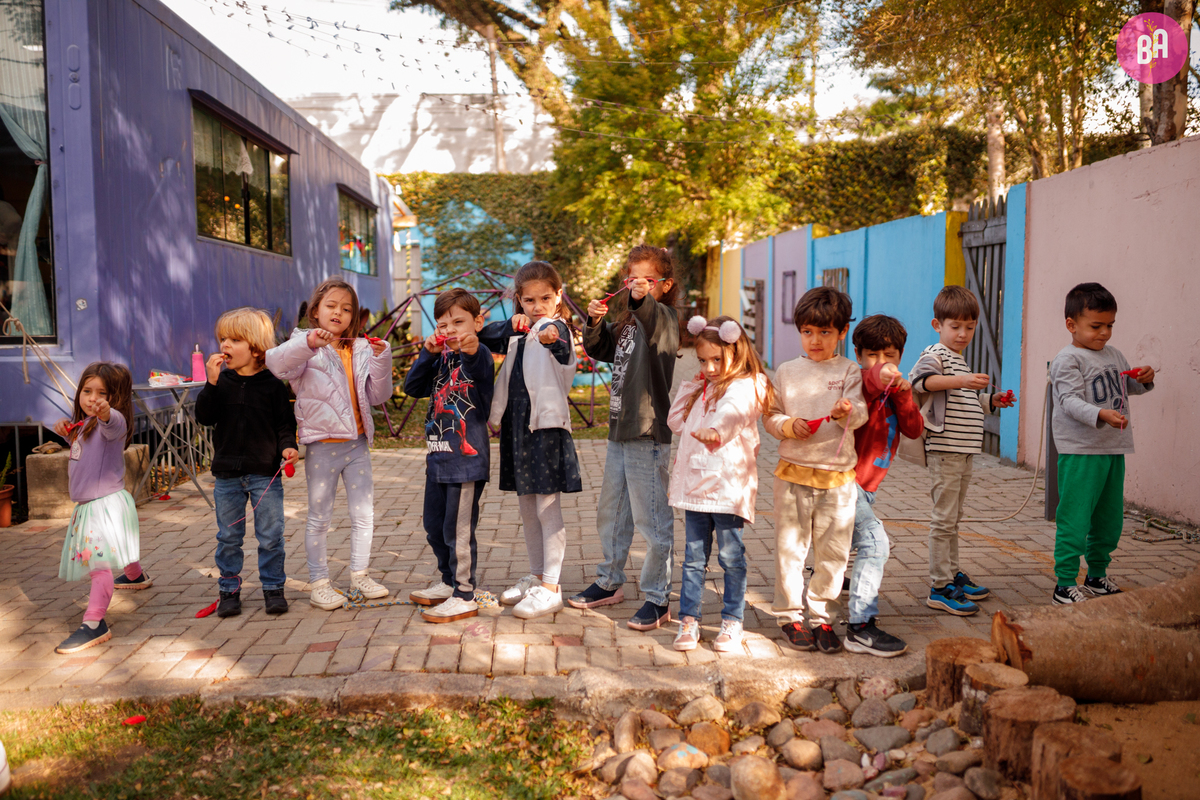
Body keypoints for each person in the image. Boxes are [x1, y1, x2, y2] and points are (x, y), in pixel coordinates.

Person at [568, 244, 680, 631]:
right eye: (632, 279)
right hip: (620, 427)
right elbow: (599, 348)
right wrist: (594, 321)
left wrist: (640, 298)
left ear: (664, 286)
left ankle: (657, 597)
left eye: (648, 280)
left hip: (647, 429)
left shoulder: (663, 318)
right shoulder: (629, 322)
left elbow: (651, 317)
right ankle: (609, 580)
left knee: (652, 519)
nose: (638, 286)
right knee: (612, 511)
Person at [265, 278, 394, 610]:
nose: (339, 312)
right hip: (322, 446)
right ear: (315, 311)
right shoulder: (302, 344)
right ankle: (320, 582)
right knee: (319, 517)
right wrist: (309, 342)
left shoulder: (361, 348)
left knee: (364, 514)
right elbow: (276, 365)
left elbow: (379, 395)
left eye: (347, 308)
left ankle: (360, 574)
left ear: (354, 317)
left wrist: (382, 358)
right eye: (331, 306)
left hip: (358, 445)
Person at [763, 286, 868, 654]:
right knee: (790, 551)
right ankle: (790, 616)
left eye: (825, 332)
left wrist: (846, 412)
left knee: (834, 554)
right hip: (792, 475)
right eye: (808, 332)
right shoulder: (787, 371)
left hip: (838, 480)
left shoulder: (850, 370)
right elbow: (770, 416)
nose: (815, 340)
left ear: (841, 333)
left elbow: (860, 415)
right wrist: (788, 426)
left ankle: (823, 618)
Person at [481, 262, 581, 621]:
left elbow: (558, 341)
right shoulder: (516, 331)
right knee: (527, 507)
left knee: (546, 508)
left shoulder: (559, 329)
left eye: (545, 298)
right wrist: (512, 324)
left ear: (558, 297)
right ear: (518, 300)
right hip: (517, 429)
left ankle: (551, 588)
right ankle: (537, 576)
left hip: (546, 430)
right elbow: (484, 334)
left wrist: (548, 332)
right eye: (528, 300)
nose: (537, 306)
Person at [668, 316, 774, 653]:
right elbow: (675, 422)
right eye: (703, 360)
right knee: (693, 558)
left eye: (717, 359)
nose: (710, 367)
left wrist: (716, 432)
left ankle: (732, 620)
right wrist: (692, 385)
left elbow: (733, 412)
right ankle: (689, 620)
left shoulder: (746, 385)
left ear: (737, 350)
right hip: (697, 490)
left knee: (731, 558)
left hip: (727, 490)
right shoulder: (704, 387)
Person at [908, 285, 1015, 616]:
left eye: (969, 326)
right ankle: (939, 587)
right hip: (945, 450)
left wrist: (991, 401)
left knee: (953, 518)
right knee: (943, 519)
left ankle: (953, 575)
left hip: (963, 451)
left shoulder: (960, 361)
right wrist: (962, 382)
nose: (963, 333)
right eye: (955, 326)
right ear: (937, 325)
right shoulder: (935, 355)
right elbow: (920, 382)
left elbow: (963, 400)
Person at [1049, 282, 1154, 604]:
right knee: (1075, 517)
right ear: (1072, 324)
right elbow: (1068, 400)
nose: (1104, 333)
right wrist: (1101, 415)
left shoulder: (1114, 355)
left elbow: (1128, 387)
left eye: (1109, 325)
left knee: (1109, 519)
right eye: (1096, 326)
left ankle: (1096, 576)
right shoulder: (1067, 360)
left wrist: (1145, 379)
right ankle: (1064, 584)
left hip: (1112, 448)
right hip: (1080, 452)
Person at [195, 307, 299, 617]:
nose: (224, 345)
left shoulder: (273, 386)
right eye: (222, 338)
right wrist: (211, 383)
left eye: (234, 339)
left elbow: (284, 425)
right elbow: (204, 417)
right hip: (227, 474)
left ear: (255, 347)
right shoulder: (222, 382)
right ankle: (229, 590)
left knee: (270, 535)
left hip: (264, 473)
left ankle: (273, 588)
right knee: (229, 536)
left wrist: (288, 448)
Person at [403, 288, 495, 623]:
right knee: (434, 526)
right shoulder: (441, 356)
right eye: (443, 325)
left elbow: (476, 361)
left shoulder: (479, 353)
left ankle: (464, 593)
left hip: (465, 461)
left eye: (459, 322)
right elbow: (412, 388)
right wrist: (427, 353)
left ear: (478, 322)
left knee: (458, 532)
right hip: (438, 457)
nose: (451, 330)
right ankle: (447, 581)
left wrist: (470, 346)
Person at [51, 362, 148, 654]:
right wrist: (66, 431)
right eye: (87, 390)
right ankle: (135, 575)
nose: (92, 398)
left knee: (99, 566)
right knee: (114, 550)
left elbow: (113, 422)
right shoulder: (84, 425)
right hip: (95, 505)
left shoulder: (112, 425)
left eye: (102, 393)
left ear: (115, 398)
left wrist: (107, 413)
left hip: (102, 506)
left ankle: (94, 623)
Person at [845, 315, 924, 657]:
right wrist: (882, 373)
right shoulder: (857, 382)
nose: (881, 363)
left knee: (845, 539)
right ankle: (860, 627)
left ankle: (826, 574)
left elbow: (914, 429)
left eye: (889, 355)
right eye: (872, 355)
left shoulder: (896, 390)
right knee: (876, 544)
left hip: (866, 488)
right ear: (859, 355)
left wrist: (904, 395)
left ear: (901, 355)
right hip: (845, 482)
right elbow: (871, 380)